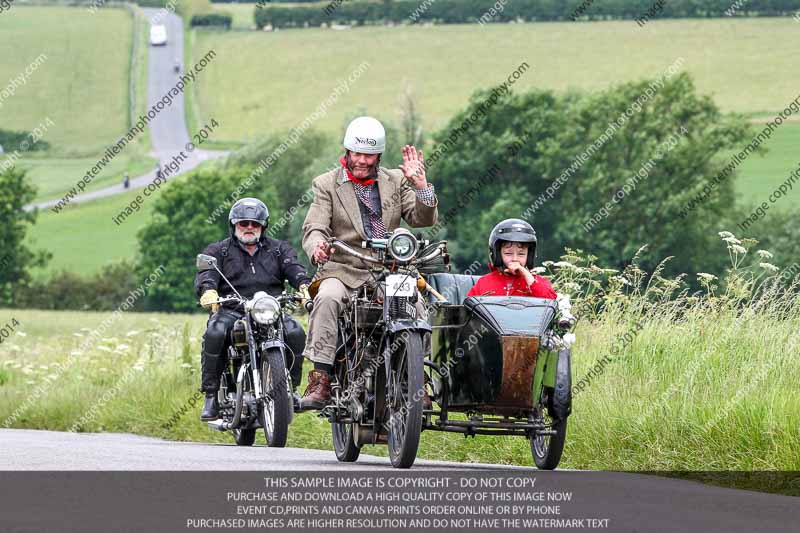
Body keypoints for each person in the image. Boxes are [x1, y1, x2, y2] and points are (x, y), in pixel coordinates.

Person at [299, 116, 438, 409]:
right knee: (327, 297)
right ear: (347, 152)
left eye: (369, 154)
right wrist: (319, 248)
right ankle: (321, 377)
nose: (362, 160)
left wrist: (422, 185)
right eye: (357, 153)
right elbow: (314, 228)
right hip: (343, 268)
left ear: (379, 155)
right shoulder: (326, 184)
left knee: (417, 304)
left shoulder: (397, 181)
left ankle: (416, 377)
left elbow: (421, 219)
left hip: (388, 270)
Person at [195, 198, 312, 420]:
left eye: (255, 224)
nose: (249, 228)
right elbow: (207, 274)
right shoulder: (218, 250)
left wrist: (304, 286)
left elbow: (294, 269)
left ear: (263, 226)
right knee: (215, 332)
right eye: (244, 223)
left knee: (295, 332)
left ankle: (292, 389)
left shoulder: (279, 249)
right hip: (233, 309)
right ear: (234, 225)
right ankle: (211, 395)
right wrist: (208, 291)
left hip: (270, 309)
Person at [467, 218, 557, 299]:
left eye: (521, 254)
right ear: (497, 254)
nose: (515, 259)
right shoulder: (483, 283)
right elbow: (469, 308)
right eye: (508, 253)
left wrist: (526, 275)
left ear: (529, 256)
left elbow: (550, 299)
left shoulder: (537, 281)